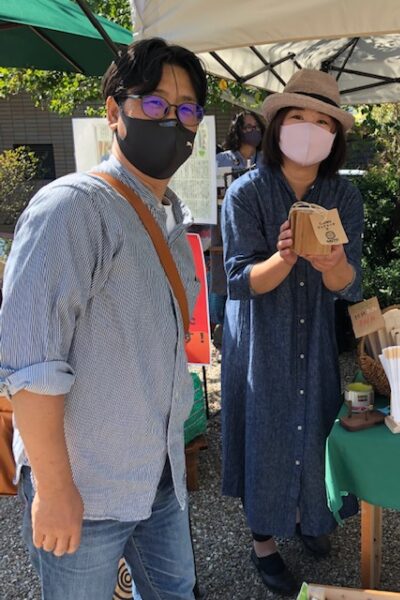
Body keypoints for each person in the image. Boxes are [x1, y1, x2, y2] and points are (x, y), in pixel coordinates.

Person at [0, 38, 207, 600]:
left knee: (174, 593)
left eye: (187, 108)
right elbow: (30, 364)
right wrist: (54, 488)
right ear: (114, 112)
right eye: (155, 103)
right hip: (86, 490)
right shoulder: (72, 208)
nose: (174, 118)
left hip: (158, 476)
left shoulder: (169, 216)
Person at [220, 69, 364, 595]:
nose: (309, 129)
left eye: (322, 121)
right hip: (261, 337)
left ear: (334, 137)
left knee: (312, 422)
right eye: (298, 117)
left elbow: (350, 284)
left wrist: (333, 264)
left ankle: (309, 516)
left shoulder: (342, 195)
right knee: (266, 427)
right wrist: (284, 257)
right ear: (277, 125)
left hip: (314, 340)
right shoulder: (246, 193)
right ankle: (263, 540)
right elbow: (238, 279)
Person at [209, 111, 266, 341]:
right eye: (247, 127)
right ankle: (219, 323)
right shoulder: (223, 160)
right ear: (237, 130)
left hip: (256, 223)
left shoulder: (266, 160)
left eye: (256, 127)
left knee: (251, 266)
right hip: (224, 222)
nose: (252, 131)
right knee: (221, 272)